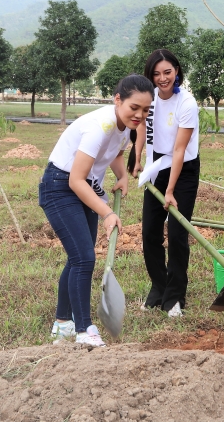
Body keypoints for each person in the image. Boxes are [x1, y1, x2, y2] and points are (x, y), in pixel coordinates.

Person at [40, 74, 154, 347]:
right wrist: (106, 212)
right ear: (118, 100)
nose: (139, 115)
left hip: (86, 187)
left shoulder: (126, 125)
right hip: (61, 187)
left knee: (78, 257)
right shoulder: (99, 125)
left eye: (146, 110)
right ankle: (83, 330)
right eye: (134, 107)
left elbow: (114, 153)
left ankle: (62, 324)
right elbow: (74, 179)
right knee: (84, 258)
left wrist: (122, 176)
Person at [133, 49, 200, 317]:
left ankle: (175, 298)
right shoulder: (148, 99)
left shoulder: (187, 103)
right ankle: (158, 289)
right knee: (149, 232)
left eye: (168, 72)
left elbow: (179, 150)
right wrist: (137, 159)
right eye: (156, 74)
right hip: (155, 165)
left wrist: (170, 190)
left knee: (176, 234)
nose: (163, 78)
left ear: (177, 71)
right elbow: (140, 127)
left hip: (182, 170)